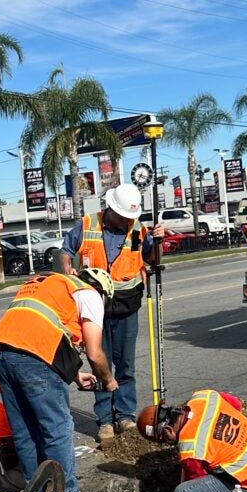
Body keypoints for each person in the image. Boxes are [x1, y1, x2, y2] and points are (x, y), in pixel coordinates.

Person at [0, 267, 117, 492]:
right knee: (57, 428)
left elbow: (46, 327)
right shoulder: (89, 294)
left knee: (25, 429)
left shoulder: (51, 283)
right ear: (103, 291)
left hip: (1, 351)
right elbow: (95, 353)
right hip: (34, 355)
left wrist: (76, 374)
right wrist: (108, 380)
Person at [59, 183, 163, 442]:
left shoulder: (139, 230)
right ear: (110, 209)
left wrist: (158, 241)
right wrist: (66, 269)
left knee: (125, 364)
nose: (128, 221)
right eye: (123, 216)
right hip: (94, 305)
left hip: (127, 305)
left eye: (131, 216)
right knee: (99, 362)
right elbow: (64, 251)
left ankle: (125, 416)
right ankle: (105, 420)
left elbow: (153, 259)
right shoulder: (87, 225)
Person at [136, 392, 247, 492]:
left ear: (167, 431)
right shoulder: (204, 397)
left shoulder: (191, 448)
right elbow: (236, 404)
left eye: (163, 441)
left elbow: (197, 482)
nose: (167, 444)